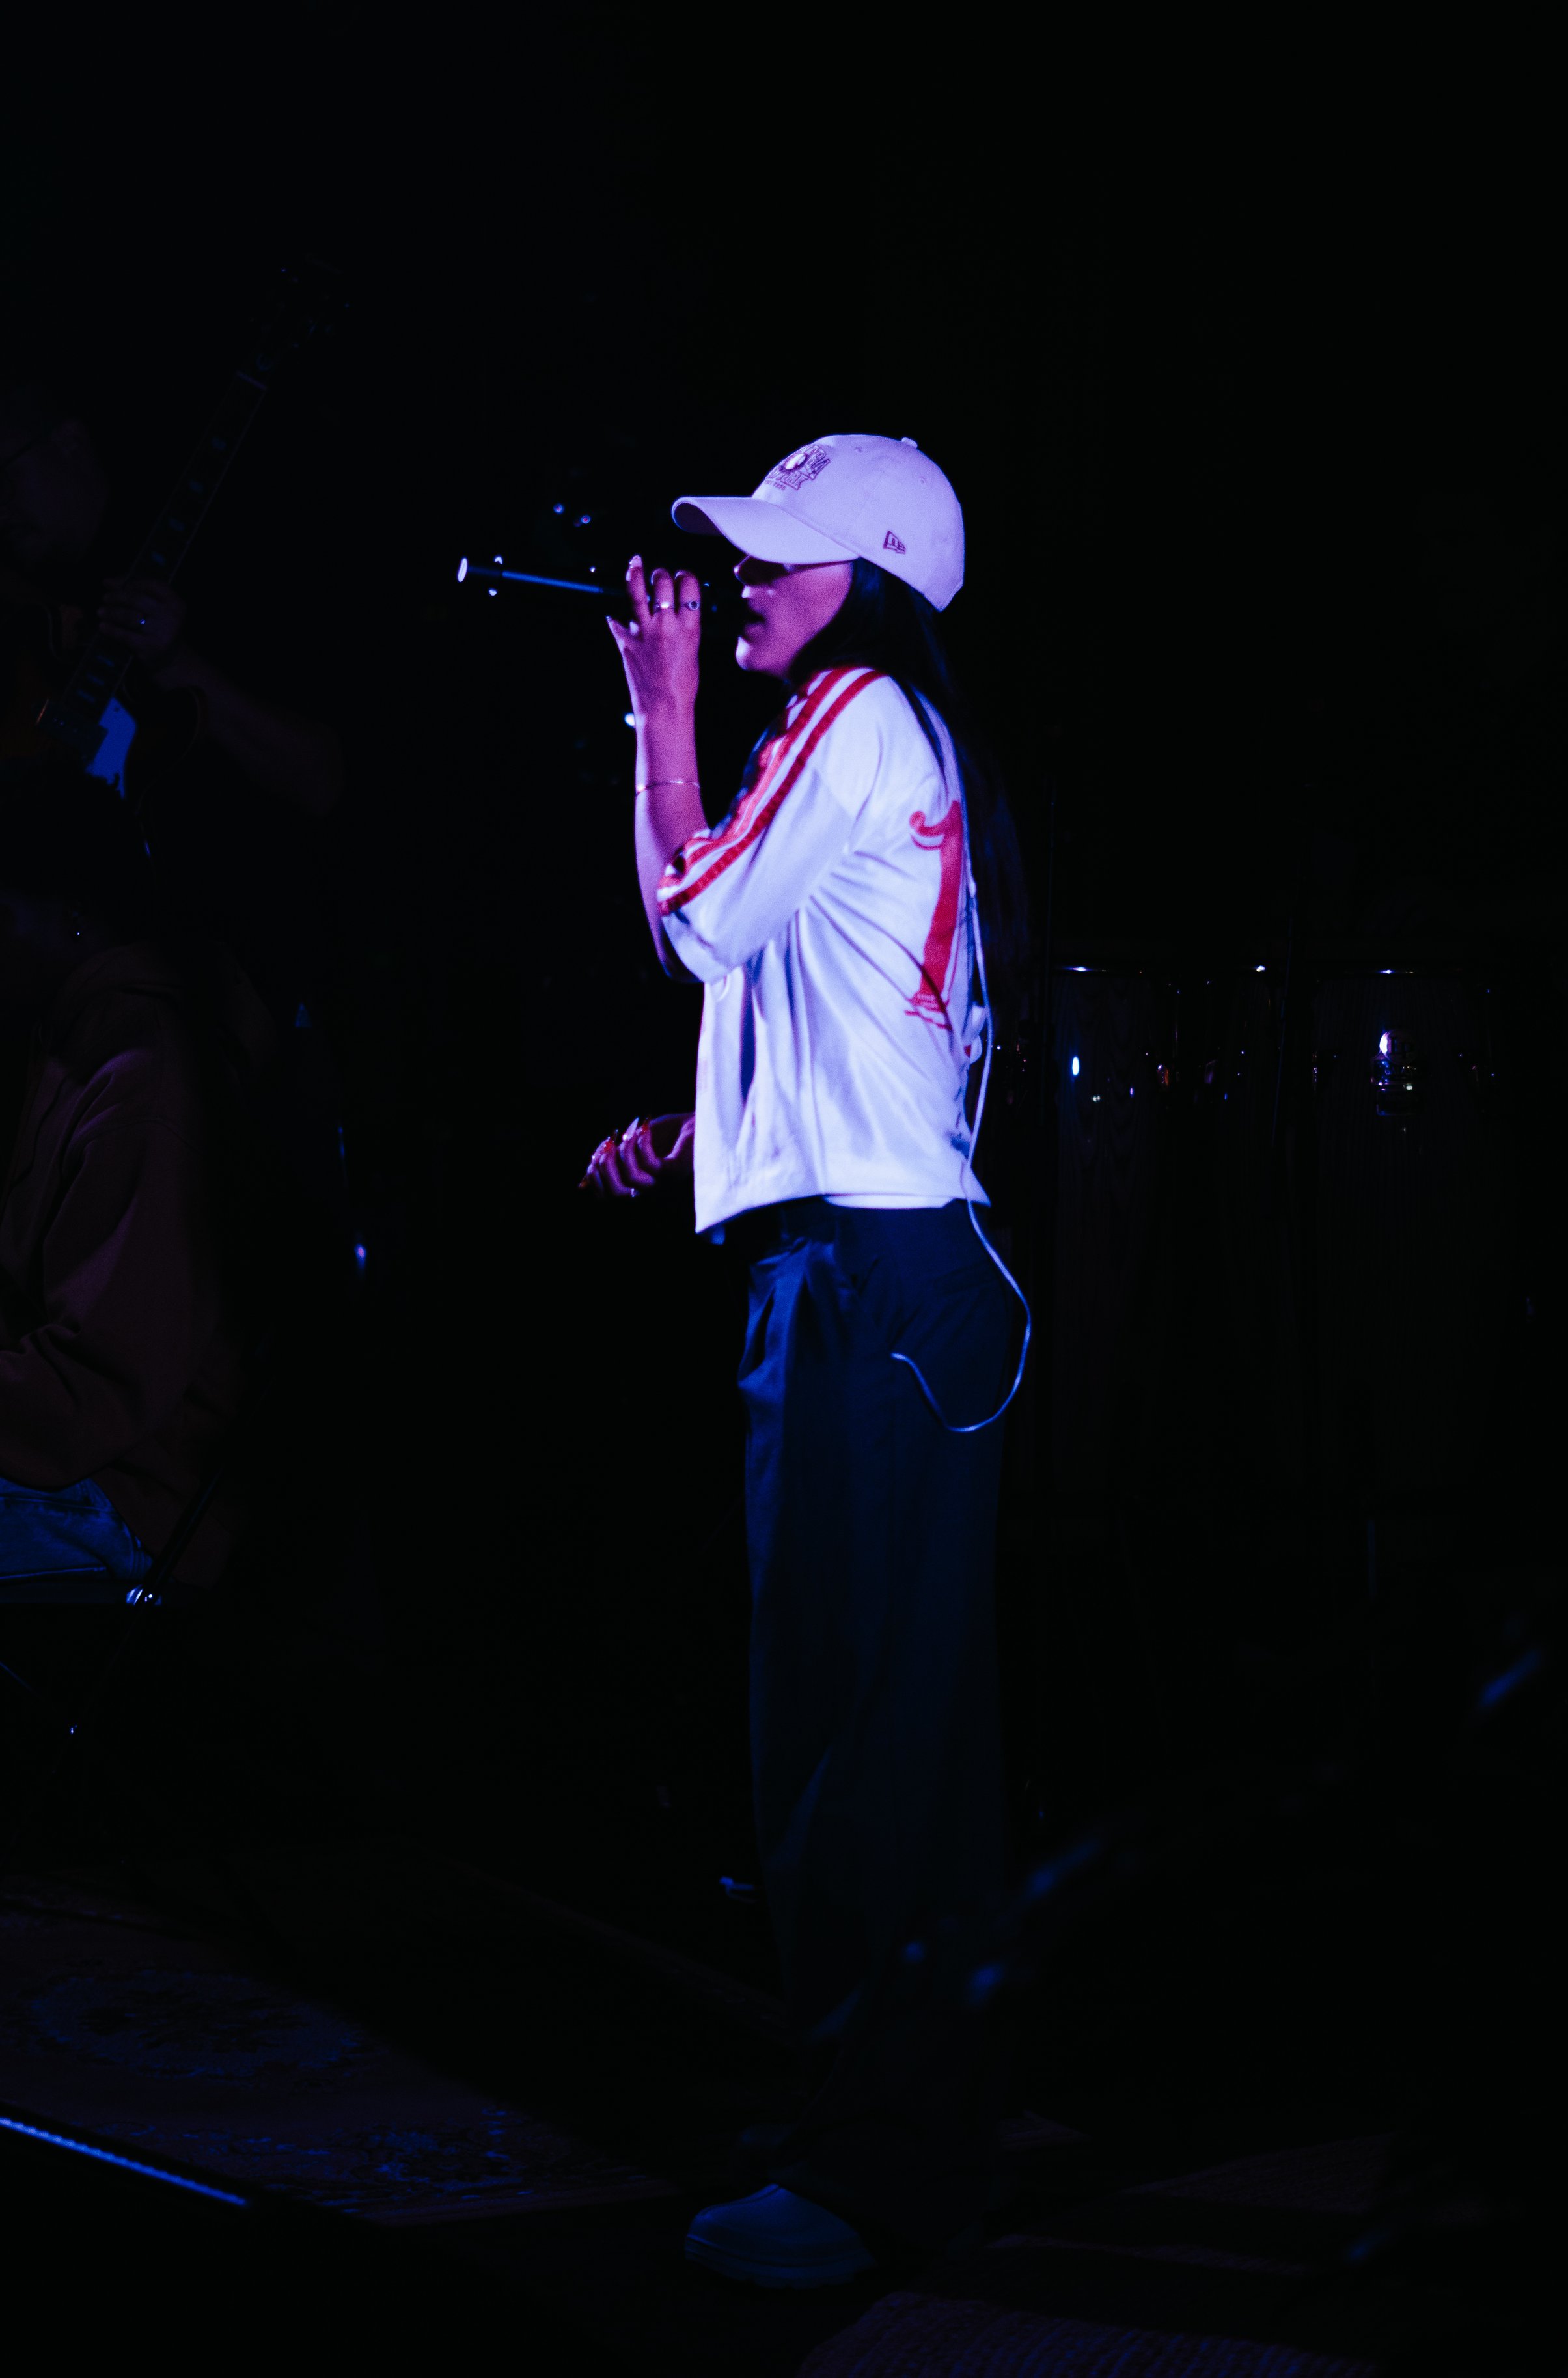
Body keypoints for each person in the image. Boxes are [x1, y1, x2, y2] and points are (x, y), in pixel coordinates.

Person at [583, 434, 1027, 2284]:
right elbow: (795, 975)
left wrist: (661, 708)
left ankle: (876, 2167)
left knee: (868, 1738)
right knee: (850, 1723)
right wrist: (724, 1121)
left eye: (780, 562)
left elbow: (693, 918)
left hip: (876, 1283)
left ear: (877, 582)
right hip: (865, 1262)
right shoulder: (853, 741)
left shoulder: (849, 717)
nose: (740, 586)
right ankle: (876, 2112)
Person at [0, 376, 345, 1027]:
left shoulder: (219, 559)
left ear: (68, 442)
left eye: (4, 480)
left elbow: (323, 781)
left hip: (232, 1002)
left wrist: (178, 661)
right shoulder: (26, 623)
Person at [0, 767, 250, 1601]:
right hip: (69, 1467)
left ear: (74, 919)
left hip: (126, 1505)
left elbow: (96, 1389)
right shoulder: (70, 1042)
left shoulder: (145, 1077)